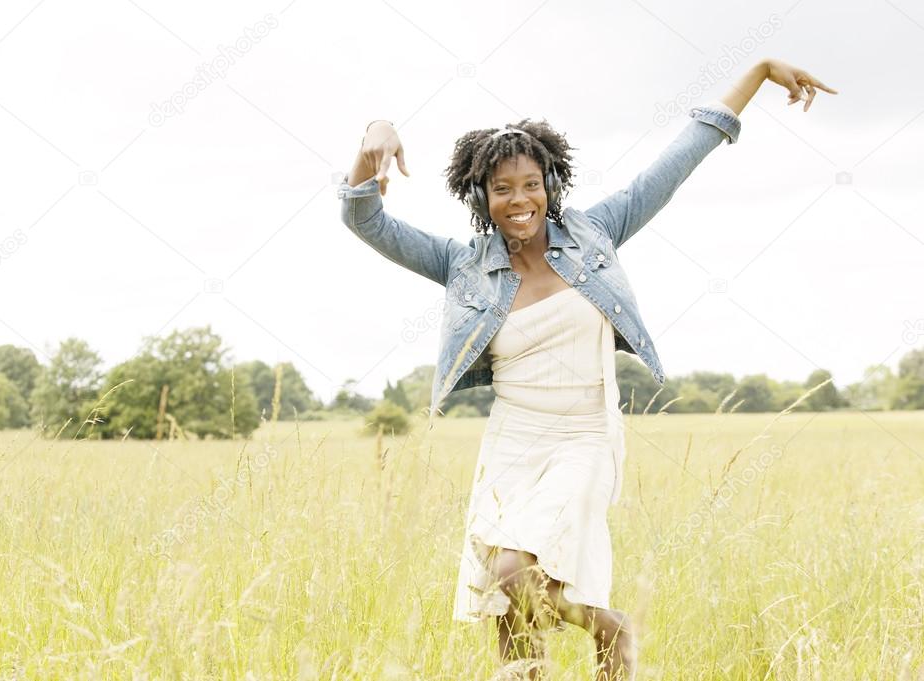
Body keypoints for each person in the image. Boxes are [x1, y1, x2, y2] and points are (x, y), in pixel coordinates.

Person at [337, 58, 836, 681]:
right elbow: (364, 219)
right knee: (507, 608)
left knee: (514, 571)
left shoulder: (597, 234)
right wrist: (374, 134)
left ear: (551, 184)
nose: (519, 201)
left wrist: (758, 73)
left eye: (530, 184)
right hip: (512, 440)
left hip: (584, 435)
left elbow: (682, 156)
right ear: (481, 197)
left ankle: (611, 629)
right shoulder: (462, 266)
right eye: (502, 189)